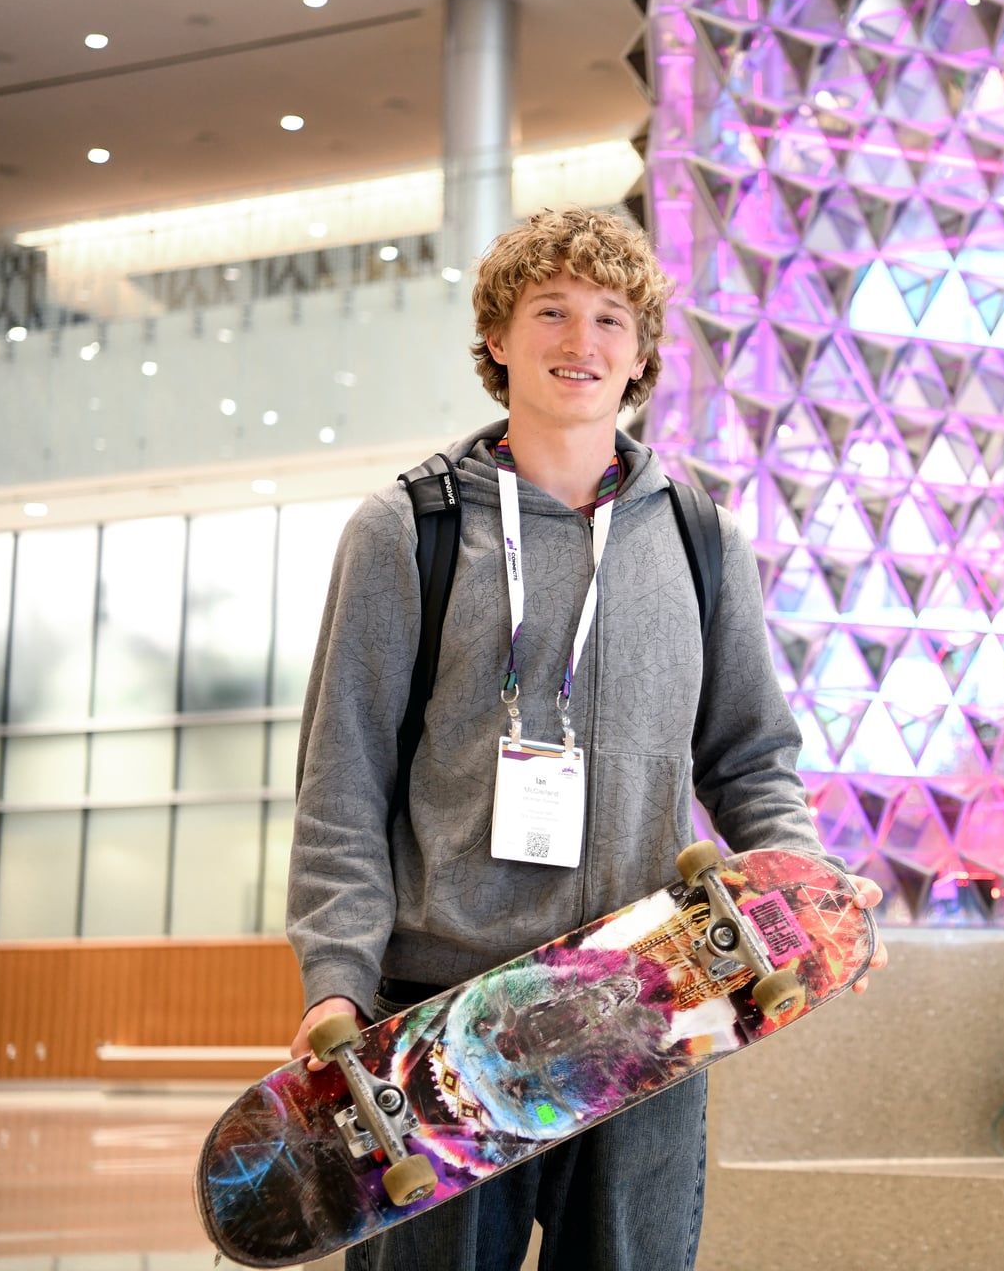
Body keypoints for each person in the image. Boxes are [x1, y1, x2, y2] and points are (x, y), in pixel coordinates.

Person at [283, 206, 885, 1271]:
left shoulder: (702, 536)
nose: (582, 340)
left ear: (643, 352)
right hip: (439, 1020)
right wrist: (337, 976)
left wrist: (806, 890)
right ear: (498, 340)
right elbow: (344, 783)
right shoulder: (404, 530)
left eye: (612, 317)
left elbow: (749, 758)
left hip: (650, 1001)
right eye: (550, 311)